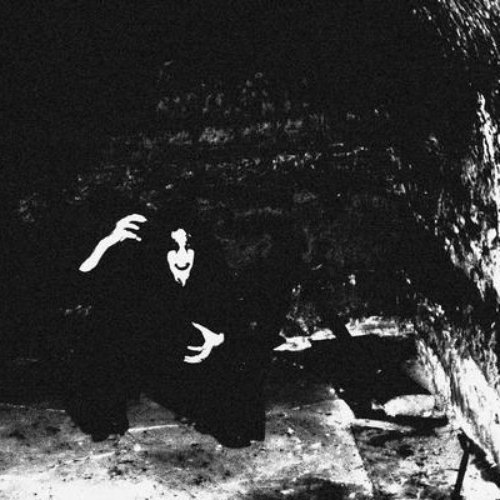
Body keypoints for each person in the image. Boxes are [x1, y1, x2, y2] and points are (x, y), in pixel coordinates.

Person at [65, 202, 266, 447]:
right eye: (173, 248)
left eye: (188, 247)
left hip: (192, 370)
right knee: (103, 332)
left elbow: (241, 320)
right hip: (152, 363)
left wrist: (218, 338)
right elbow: (78, 287)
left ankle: (226, 421)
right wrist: (107, 242)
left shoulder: (210, 275)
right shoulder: (144, 277)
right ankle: (104, 417)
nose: (182, 256)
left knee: (240, 365)